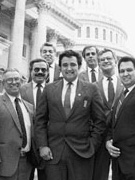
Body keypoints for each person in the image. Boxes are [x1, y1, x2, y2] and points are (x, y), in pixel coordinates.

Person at [35, 50, 106, 180]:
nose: (69, 68)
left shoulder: (91, 89)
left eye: (73, 64)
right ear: (60, 67)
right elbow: (40, 120)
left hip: (82, 153)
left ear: (79, 66)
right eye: (65, 65)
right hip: (53, 153)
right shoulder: (49, 89)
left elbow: (100, 121)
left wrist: (92, 145)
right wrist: (43, 145)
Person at [93, 49, 123, 180]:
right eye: (102, 60)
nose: (105, 61)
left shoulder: (126, 84)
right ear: (98, 64)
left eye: (108, 58)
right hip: (100, 137)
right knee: (99, 174)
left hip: (122, 136)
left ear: (115, 61)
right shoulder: (92, 87)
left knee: (121, 173)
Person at [0, 68, 33, 180]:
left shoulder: (29, 107)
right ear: (3, 83)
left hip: (27, 163)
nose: (14, 82)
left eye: (17, 79)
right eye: (9, 80)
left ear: (22, 82)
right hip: (4, 164)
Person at [20, 58, 49, 180]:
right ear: (30, 71)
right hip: (26, 145)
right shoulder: (21, 90)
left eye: (43, 70)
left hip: (47, 143)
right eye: (36, 69)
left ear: (47, 72)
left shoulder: (53, 89)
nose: (40, 72)